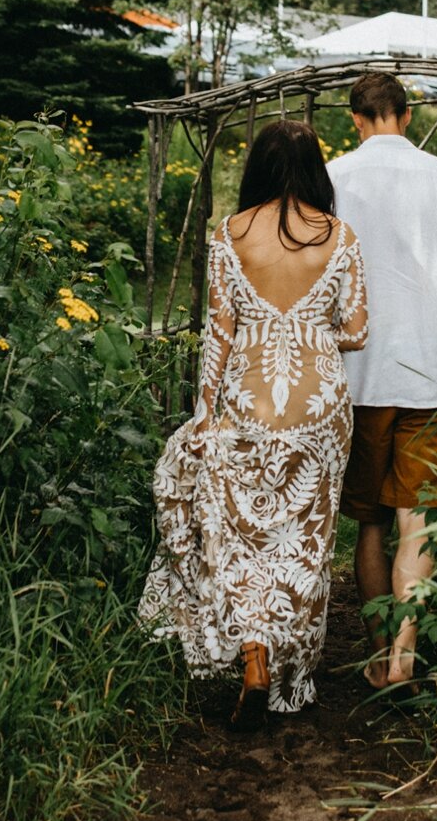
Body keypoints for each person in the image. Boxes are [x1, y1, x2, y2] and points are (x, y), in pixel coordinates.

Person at [139, 119, 369, 730]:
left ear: (259, 169)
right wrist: (312, 327)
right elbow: (358, 331)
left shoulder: (230, 234)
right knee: (304, 542)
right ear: (316, 167)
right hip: (320, 412)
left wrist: (204, 413)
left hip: (244, 400)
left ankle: (253, 651)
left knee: (239, 533)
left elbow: (217, 335)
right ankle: (293, 674)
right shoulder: (341, 237)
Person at [327, 71, 437, 689]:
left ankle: (373, 650)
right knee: (415, 519)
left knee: (370, 521)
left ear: (357, 119)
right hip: (434, 374)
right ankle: (406, 654)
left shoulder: (335, 179)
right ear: (407, 116)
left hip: (359, 376)